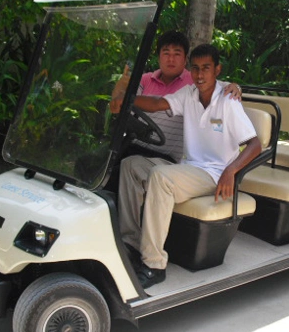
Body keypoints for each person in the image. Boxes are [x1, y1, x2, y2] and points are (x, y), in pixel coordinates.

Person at [119, 44, 261, 288]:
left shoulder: (228, 100)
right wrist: (126, 100)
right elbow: (157, 103)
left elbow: (255, 144)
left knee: (161, 177)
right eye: (195, 69)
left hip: (215, 175)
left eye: (206, 68)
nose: (199, 75)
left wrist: (231, 171)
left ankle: (153, 264)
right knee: (131, 165)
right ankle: (131, 243)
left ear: (217, 69)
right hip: (190, 168)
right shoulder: (188, 94)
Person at [109, 30, 242, 162]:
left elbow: (223, 86)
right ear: (159, 57)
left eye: (177, 54)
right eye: (166, 53)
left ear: (185, 59)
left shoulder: (194, 82)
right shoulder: (145, 79)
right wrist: (122, 84)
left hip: (164, 156)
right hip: (133, 145)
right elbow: (119, 104)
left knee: (125, 166)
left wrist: (237, 87)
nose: (171, 59)